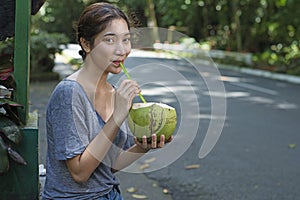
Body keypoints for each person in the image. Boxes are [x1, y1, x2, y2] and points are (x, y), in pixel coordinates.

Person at [42, 2, 171, 200]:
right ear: (86, 44)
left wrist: (143, 147)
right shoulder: (69, 93)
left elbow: (109, 164)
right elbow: (79, 173)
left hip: (110, 194)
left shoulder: (114, 93)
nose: (121, 50)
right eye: (110, 40)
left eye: (126, 40)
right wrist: (117, 116)